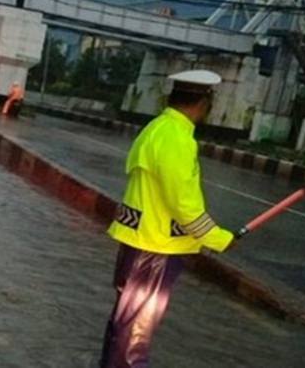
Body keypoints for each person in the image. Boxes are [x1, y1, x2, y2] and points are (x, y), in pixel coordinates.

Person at [100, 69, 236, 368]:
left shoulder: (156, 128)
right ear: (204, 102)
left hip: (137, 240)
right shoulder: (177, 139)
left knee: (123, 321)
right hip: (157, 247)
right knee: (137, 329)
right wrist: (218, 238)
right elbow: (184, 204)